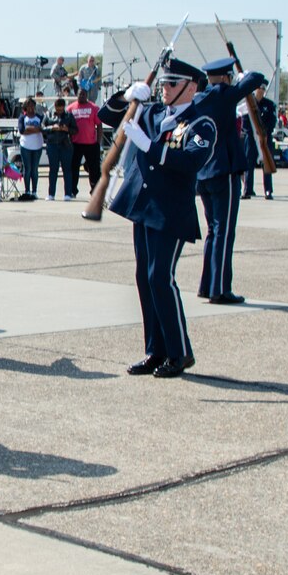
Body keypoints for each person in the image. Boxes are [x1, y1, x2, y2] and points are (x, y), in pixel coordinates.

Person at [105, 60, 218, 377]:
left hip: (170, 210)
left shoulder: (201, 124)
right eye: (163, 84)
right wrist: (125, 96)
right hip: (142, 205)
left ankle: (179, 352)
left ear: (190, 87)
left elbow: (191, 161)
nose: (164, 89)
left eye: (172, 84)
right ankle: (155, 350)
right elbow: (107, 116)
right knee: (144, 277)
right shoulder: (152, 112)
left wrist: (150, 147)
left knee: (160, 277)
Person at [192, 58, 268, 304]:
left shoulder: (200, 97)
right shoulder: (224, 95)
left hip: (203, 171)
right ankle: (220, 289)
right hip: (223, 171)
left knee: (213, 232)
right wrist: (243, 76)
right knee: (224, 232)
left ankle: (208, 285)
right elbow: (257, 78)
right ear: (226, 77)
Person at [64, 87, 102, 198]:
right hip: (75, 144)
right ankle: (72, 190)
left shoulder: (94, 108)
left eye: (84, 94)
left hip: (91, 144)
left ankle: (95, 191)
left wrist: (98, 143)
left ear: (87, 95)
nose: (82, 96)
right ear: (77, 95)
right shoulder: (70, 108)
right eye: (80, 94)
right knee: (74, 167)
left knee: (94, 169)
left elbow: (99, 126)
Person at [242, 91, 278, 200]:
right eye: (259, 89)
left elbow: (272, 121)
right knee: (249, 164)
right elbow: (245, 122)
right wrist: (253, 132)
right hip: (252, 138)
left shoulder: (269, 104)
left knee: (266, 163)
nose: (260, 91)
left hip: (264, 137)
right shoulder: (247, 104)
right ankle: (248, 190)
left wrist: (264, 132)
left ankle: (268, 190)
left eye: (263, 89)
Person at [14, 97, 44, 200]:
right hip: (25, 146)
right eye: (29, 106)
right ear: (25, 107)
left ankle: (34, 191)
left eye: (32, 105)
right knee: (27, 169)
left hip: (37, 146)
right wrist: (36, 129)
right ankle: (27, 190)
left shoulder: (40, 117)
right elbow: (22, 130)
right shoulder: (22, 117)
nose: (31, 108)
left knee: (34, 169)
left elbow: (42, 129)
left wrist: (30, 129)